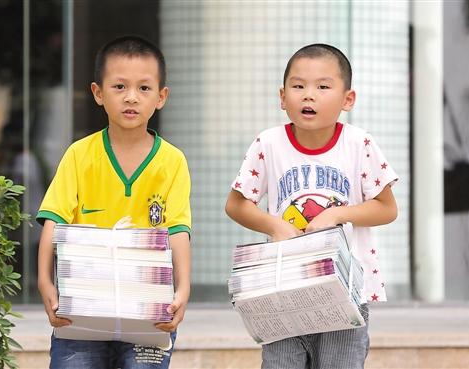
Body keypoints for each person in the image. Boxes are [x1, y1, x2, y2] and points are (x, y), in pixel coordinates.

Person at [225, 43, 398, 369]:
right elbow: (236, 204)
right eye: (298, 86)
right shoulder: (268, 143)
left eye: (323, 86)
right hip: (283, 287)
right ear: (282, 96)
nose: (309, 95)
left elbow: (387, 208)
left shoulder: (359, 144)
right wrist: (274, 225)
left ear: (348, 99)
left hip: (346, 291)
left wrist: (336, 213)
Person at [36, 35, 191, 369]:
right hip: (81, 311)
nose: (131, 97)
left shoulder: (172, 161)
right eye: (119, 87)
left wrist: (184, 288)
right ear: (98, 93)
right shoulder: (79, 155)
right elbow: (54, 221)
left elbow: (178, 228)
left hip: (148, 311)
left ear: (161, 97)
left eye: (144, 88)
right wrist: (45, 282)